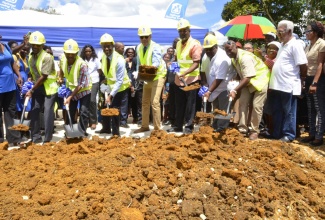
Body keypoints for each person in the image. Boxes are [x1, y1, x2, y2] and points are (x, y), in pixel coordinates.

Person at [268, 20, 308, 142]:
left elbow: (303, 64)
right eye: (278, 31)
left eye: (280, 31)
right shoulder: (283, 45)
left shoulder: (295, 45)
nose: (278, 34)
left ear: (289, 31)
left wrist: (302, 79)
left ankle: (289, 134)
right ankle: (277, 133)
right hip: (277, 85)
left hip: (288, 84)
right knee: (277, 110)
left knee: (289, 111)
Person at [224, 40, 270, 140]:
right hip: (248, 82)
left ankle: (254, 131)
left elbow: (248, 77)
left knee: (257, 106)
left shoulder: (245, 57)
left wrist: (235, 90)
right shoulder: (233, 58)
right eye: (226, 51)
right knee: (243, 103)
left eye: (230, 50)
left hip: (260, 80)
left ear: (236, 47)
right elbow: (241, 73)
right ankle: (242, 129)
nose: (228, 53)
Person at [167, 18, 202, 134]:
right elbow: (177, 59)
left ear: (189, 30)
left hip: (191, 79)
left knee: (190, 105)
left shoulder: (195, 44)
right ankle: (178, 125)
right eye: (180, 31)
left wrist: (185, 73)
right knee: (179, 103)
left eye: (184, 30)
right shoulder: (178, 44)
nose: (182, 33)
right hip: (179, 79)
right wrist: (173, 65)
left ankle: (188, 126)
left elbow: (196, 63)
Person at [25, 31, 58, 144]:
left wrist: (32, 89)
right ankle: (35, 137)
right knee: (34, 110)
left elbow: (44, 76)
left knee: (48, 112)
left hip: (49, 88)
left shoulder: (47, 57)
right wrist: (29, 81)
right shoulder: (30, 57)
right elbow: (34, 72)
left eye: (37, 45)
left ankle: (47, 139)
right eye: (33, 44)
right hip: (37, 86)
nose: (34, 47)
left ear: (42, 45)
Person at [133, 26, 167, 133]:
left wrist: (148, 71)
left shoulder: (155, 47)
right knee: (145, 102)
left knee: (155, 102)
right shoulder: (138, 47)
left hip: (157, 76)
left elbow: (156, 62)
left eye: (146, 37)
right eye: (142, 37)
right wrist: (138, 73)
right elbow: (139, 62)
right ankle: (145, 125)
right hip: (147, 77)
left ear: (150, 36)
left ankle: (157, 128)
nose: (144, 39)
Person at [96, 33, 130, 136]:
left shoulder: (119, 60)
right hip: (110, 86)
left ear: (113, 46)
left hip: (121, 87)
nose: (106, 48)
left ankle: (116, 132)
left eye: (109, 46)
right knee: (106, 107)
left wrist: (111, 95)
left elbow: (119, 81)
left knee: (115, 108)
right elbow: (108, 73)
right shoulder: (104, 57)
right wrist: (105, 83)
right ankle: (106, 128)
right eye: (104, 46)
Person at [202, 35, 235, 132]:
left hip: (223, 88)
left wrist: (209, 91)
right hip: (214, 88)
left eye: (210, 49)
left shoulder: (222, 59)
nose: (208, 51)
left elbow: (219, 78)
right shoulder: (208, 56)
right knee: (216, 108)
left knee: (223, 109)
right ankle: (215, 126)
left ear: (216, 46)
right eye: (206, 49)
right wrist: (206, 85)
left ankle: (222, 128)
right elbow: (206, 71)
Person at [58, 39, 91, 136]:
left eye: (73, 54)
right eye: (68, 54)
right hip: (71, 89)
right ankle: (70, 131)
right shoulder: (63, 59)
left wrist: (70, 97)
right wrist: (60, 77)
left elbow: (80, 84)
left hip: (84, 90)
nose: (70, 56)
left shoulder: (82, 65)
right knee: (70, 111)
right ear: (64, 52)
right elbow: (61, 69)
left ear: (77, 53)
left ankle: (82, 132)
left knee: (84, 112)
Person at [300, 21, 325, 146]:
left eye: (308, 31)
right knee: (310, 108)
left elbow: (320, 64)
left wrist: (314, 83)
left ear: (315, 32)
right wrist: (304, 80)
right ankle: (312, 134)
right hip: (308, 78)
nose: (306, 33)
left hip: (318, 80)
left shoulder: (322, 44)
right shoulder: (307, 46)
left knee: (319, 108)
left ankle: (319, 137)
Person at [0, 36, 23, 146]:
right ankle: (0, 140)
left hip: (10, 85)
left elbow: (12, 62)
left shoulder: (5, 46)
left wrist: (18, 75)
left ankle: (14, 138)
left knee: (11, 112)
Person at [80, 44, 103, 130]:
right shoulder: (81, 60)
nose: (88, 53)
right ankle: (86, 121)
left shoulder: (96, 60)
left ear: (92, 51)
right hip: (84, 83)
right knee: (85, 102)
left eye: (89, 51)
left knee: (92, 100)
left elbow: (100, 71)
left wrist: (95, 77)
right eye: (86, 51)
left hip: (94, 82)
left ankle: (93, 121)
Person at [124, 47, 141, 124]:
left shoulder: (136, 61)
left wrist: (133, 85)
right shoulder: (123, 61)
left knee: (135, 101)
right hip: (125, 83)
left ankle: (135, 117)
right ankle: (124, 118)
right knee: (126, 101)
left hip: (135, 83)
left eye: (132, 53)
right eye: (129, 52)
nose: (130, 54)